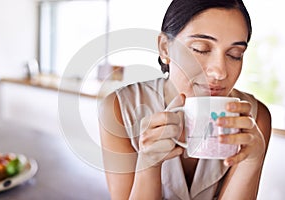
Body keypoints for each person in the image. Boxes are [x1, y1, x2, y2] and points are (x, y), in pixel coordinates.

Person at [98, 0, 271, 199]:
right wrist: (148, 166)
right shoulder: (120, 109)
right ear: (164, 48)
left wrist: (252, 162)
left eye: (235, 54)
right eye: (201, 49)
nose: (219, 72)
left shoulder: (253, 119)